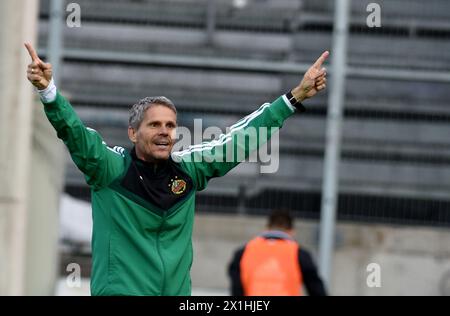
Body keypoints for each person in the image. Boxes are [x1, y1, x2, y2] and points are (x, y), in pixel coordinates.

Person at [25, 42, 328, 296]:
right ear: (133, 133)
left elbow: (239, 141)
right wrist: (49, 92)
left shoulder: (188, 171)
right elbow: (75, 133)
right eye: (154, 124)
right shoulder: (110, 170)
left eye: (170, 125)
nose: (164, 131)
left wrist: (294, 98)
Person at [228, 209, 327, 296]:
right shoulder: (299, 254)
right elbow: (316, 289)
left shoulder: (244, 252)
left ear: (267, 228)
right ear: (292, 231)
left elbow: (237, 289)